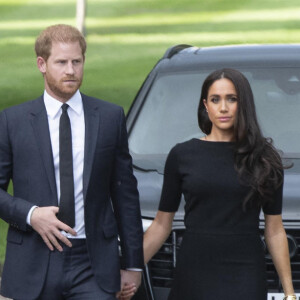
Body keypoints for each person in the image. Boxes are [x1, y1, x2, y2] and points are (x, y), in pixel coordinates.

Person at [0, 24, 143, 300]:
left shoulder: (110, 117)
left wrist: (132, 264)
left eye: (77, 62)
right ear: (42, 64)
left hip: (93, 263)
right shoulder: (12, 121)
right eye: (61, 62)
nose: (70, 70)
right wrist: (31, 215)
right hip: (32, 258)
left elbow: (125, 194)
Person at [142, 68, 296, 300]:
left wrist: (290, 292)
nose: (223, 108)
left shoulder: (264, 158)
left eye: (231, 99)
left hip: (245, 275)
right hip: (194, 274)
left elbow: (274, 230)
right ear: (205, 105)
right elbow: (162, 225)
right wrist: (128, 269)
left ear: (243, 104)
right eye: (215, 100)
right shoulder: (182, 155)